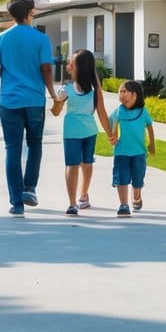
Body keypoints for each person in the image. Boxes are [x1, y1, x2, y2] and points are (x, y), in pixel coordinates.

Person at [0, 0, 57, 216]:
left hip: (9, 102)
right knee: (35, 143)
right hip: (34, 101)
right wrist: (52, 94)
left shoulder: (1, 39)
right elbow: (46, 69)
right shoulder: (41, 39)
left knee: (12, 149)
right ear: (30, 12)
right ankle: (29, 188)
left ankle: (16, 202)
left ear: (11, 14)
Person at [54, 49, 113, 216]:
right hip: (71, 133)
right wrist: (58, 101)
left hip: (89, 132)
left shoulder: (95, 91)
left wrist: (110, 134)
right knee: (72, 165)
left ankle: (83, 195)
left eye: (71, 63)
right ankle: (72, 203)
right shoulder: (66, 89)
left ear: (80, 67)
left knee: (87, 164)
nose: (68, 66)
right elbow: (56, 112)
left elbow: (102, 113)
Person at [109, 80, 155, 218]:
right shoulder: (118, 111)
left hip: (139, 152)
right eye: (120, 91)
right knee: (122, 177)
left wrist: (152, 143)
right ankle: (123, 204)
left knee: (138, 178)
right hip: (121, 152)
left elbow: (149, 126)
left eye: (124, 91)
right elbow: (109, 122)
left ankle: (137, 194)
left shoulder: (143, 112)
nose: (121, 94)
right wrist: (112, 135)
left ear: (134, 95)